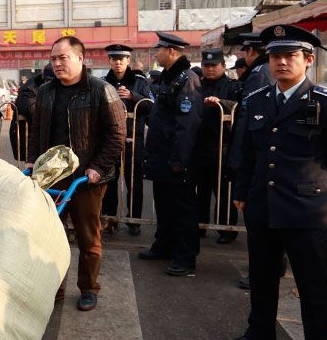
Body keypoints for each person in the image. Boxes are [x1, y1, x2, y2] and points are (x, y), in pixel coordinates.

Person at [226, 24, 327, 340]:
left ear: (308, 60)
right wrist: (242, 192)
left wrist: (323, 190)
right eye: (275, 56)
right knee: (262, 274)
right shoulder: (257, 100)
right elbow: (248, 152)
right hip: (263, 205)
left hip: (306, 209)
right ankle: (260, 332)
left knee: (313, 283)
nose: (282, 62)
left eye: (290, 56)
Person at [27, 37, 126, 310]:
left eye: (63, 57)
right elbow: (36, 131)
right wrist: (32, 161)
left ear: (80, 58)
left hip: (86, 179)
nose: (57, 63)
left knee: (87, 237)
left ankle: (88, 288)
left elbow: (116, 135)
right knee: (50, 236)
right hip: (52, 177)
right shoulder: (46, 91)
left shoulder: (101, 91)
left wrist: (97, 168)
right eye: (53, 58)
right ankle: (54, 287)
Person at [138, 32, 203, 277]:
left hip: (176, 159)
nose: (157, 53)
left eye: (160, 49)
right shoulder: (170, 77)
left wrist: (179, 159)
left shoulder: (187, 80)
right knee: (164, 206)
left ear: (172, 51)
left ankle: (185, 257)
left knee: (182, 210)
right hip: (162, 157)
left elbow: (187, 124)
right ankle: (163, 246)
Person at [231, 33, 274, 289]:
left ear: (250, 52)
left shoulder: (259, 74)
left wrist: (237, 160)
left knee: (260, 227)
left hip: (259, 162)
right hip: (262, 159)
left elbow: (247, 123)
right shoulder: (261, 72)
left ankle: (263, 271)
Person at [101, 44, 154, 236]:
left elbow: (151, 105)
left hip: (133, 138)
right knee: (109, 180)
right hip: (110, 139)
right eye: (114, 59)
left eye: (121, 59)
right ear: (109, 61)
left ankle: (134, 220)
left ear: (128, 60)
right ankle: (109, 219)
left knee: (134, 182)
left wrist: (133, 96)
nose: (117, 63)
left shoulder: (140, 82)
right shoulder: (103, 83)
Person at [194, 49, 241, 245]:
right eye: (206, 66)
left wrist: (221, 103)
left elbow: (240, 107)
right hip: (200, 147)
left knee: (223, 191)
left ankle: (226, 229)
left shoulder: (233, 86)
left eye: (214, 65)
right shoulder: (197, 85)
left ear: (223, 66)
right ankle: (200, 225)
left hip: (223, 147)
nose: (210, 69)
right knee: (200, 191)